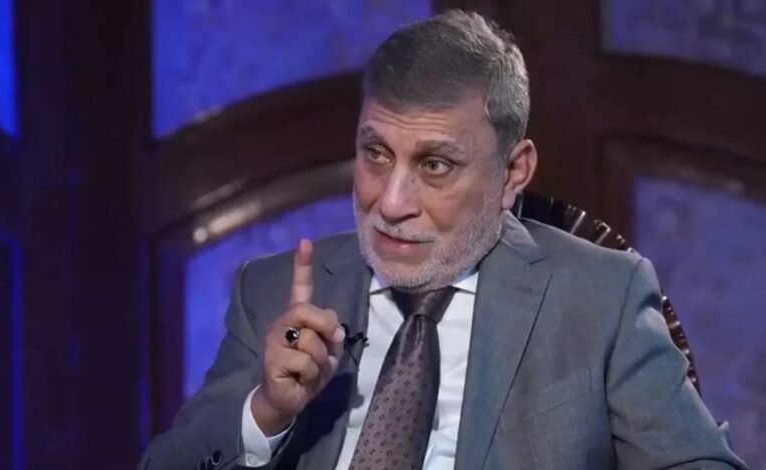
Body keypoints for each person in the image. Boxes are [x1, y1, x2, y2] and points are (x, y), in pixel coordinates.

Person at [139, 10, 747, 470]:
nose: (391, 203)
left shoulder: (601, 298)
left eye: (435, 165)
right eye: (376, 154)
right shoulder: (272, 292)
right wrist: (265, 414)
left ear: (513, 173)